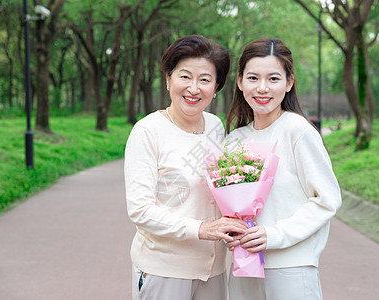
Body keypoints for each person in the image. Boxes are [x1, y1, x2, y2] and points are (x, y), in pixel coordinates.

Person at [124, 35, 248, 300]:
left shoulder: (216, 126)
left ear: (216, 87)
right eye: (184, 77)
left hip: (213, 270)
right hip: (164, 270)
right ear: (168, 79)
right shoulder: (148, 131)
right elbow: (140, 209)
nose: (194, 88)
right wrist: (202, 229)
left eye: (205, 80)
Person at [225, 38, 342, 300]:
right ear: (240, 81)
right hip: (243, 266)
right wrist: (230, 232)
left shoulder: (298, 132)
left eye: (273, 79)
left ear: (289, 83)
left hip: (291, 266)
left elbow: (327, 200)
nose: (262, 88)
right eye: (253, 78)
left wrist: (274, 235)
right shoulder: (233, 140)